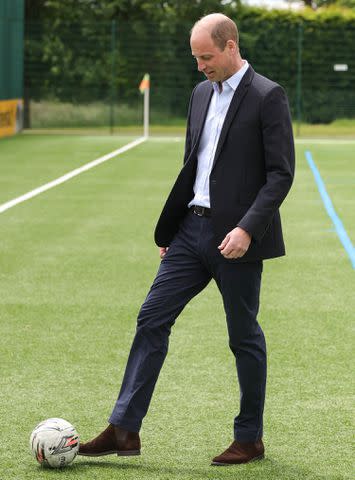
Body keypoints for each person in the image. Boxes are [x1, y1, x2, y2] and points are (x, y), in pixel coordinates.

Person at [78, 12, 295, 466]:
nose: (200, 65)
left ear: (230, 46)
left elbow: (280, 174)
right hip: (189, 232)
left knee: (243, 337)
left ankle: (250, 438)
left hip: (236, 240)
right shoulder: (200, 94)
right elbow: (192, 163)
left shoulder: (267, 95)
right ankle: (124, 428)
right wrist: (175, 226)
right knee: (151, 319)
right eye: (196, 57)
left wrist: (247, 229)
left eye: (206, 56)